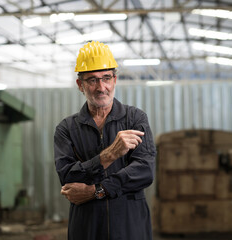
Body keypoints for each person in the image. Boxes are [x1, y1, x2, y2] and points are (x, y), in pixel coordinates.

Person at [54, 41, 156, 240]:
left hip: (130, 227)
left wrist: (96, 191)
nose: (101, 87)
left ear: (115, 80)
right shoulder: (66, 129)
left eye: (106, 78)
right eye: (92, 80)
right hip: (86, 228)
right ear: (80, 85)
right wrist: (108, 155)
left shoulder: (135, 119)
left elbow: (145, 171)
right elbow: (67, 178)